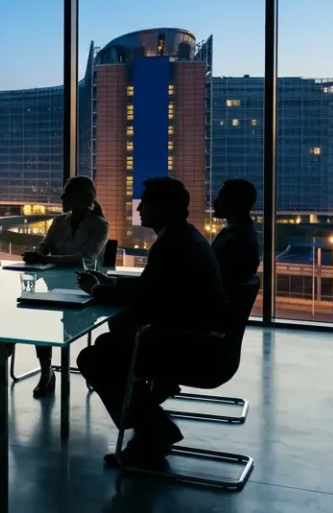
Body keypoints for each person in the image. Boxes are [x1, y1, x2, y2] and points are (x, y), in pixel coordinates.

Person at [76, 177, 227, 467]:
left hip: (187, 343)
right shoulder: (183, 237)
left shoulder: (172, 244)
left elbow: (148, 299)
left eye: (146, 202)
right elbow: (155, 290)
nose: (140, 207)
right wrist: (111, 285)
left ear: (165, 207)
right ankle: (152, 428)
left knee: (95, 358)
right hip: (197, 336)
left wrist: (98, 290)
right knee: (107, 346)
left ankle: (153, 431)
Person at [22, 176, 109, 397]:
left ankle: (49, 370)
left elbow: (87, 258)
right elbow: (46, 244)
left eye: (67, 195)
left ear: (84, 198)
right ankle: (46, 370)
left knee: (60, 323)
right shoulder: (59, 221)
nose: (62, 199)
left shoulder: (100, 225)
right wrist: (39, 253)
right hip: (53, 283)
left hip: (82, 286)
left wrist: (47, 259)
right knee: (40, 319)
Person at [211, 179, 261, 293]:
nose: (214, 202)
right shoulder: (241, 234)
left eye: (222, 198)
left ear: (236, 203)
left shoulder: (236, 240)